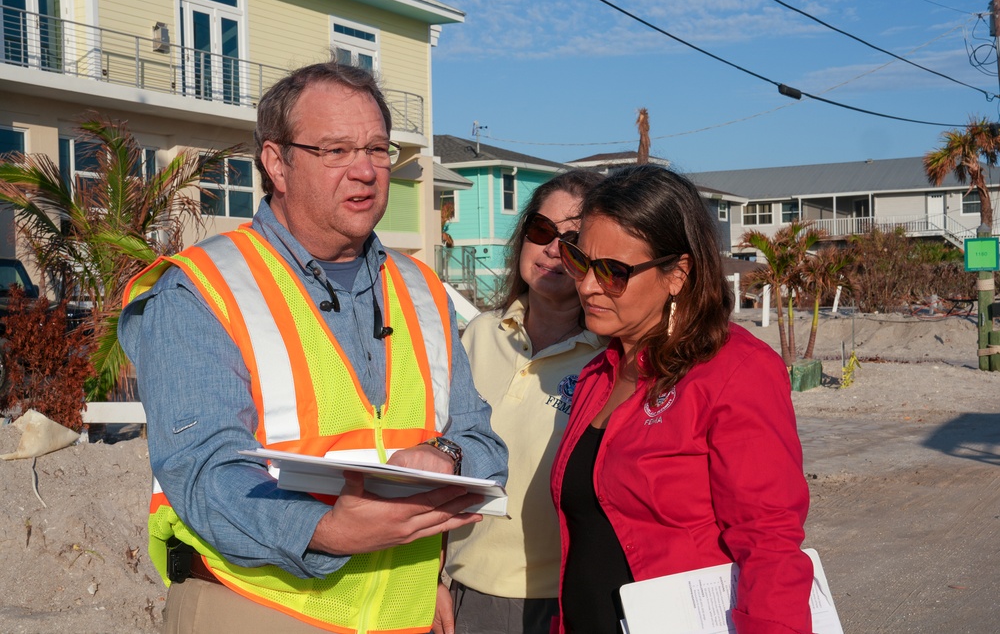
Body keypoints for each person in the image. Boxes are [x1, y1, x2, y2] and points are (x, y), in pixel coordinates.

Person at [117, 61, 508, 634]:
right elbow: (201, 468)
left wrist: (445, 457)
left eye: (377, 149)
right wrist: (325, 532)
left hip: (404, 616)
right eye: (335, 150)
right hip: (257, 609)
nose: (366, 171)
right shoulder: (202, 288)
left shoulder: (423, 289)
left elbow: (480, 441)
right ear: (277, 162)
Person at [550, 165, 813, 634]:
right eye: (579, 261)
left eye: (612, 271)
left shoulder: (736, 372)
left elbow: (769, 543)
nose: (588, 285)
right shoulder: (598, 373)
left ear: (677, 273)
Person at [443, 170, 607, 634]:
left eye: (573, 239)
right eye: (541, 231)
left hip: (560, 599)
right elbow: (438, 454)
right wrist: (433, 576)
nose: (552, 249)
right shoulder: (477, 335)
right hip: (463, 588)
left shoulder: (611, 359)